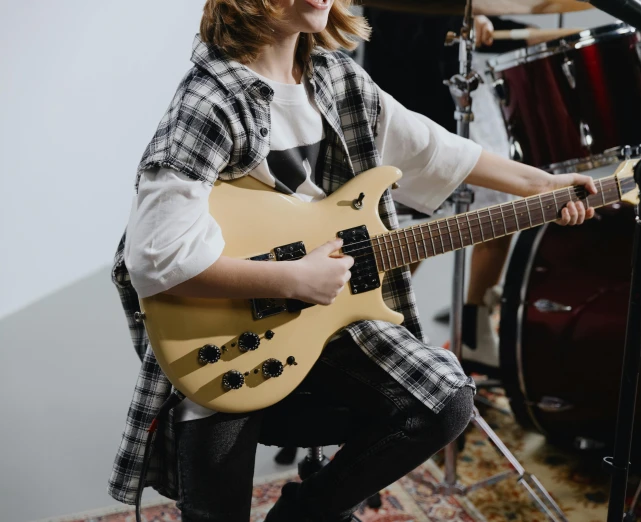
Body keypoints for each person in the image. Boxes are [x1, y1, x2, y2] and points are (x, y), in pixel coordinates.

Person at [108, 1, 596, 521]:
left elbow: (434, 150)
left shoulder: (334, 75)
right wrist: (293, 279)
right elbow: (156, 258)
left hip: (333, 326)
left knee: (446, 399)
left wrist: (541, 184)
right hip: (226, 340)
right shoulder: (210, 99)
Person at [363, 10, 527, 376]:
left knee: (499, 210)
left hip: (456, 91)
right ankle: (374, 332)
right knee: (403, 235)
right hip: (408, 93)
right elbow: (401, 29)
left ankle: (474, 329)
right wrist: (461, 19)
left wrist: (496, 25)